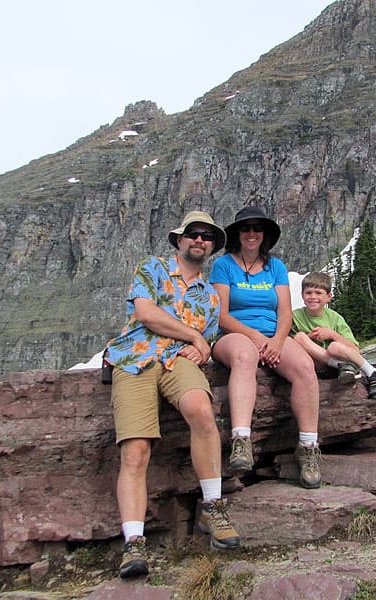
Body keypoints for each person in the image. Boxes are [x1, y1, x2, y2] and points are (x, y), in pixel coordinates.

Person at [103, 211, 241, 579]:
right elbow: (146, 314)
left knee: (201, 409)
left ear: (212, 246)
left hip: (177, 360)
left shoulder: (210, 297)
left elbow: (209, 342)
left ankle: (213, 506)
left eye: (207, 236)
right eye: (193, 234)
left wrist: (203, 348)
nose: (200, 240)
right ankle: (134, 543)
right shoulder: (152, 269)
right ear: (179, 240)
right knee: (135, 449)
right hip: (135, 359)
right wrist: (195, 337)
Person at [209, 206, 322, 489]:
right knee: (245, 357)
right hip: (234, 334)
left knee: (306, 368)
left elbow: (285, 313)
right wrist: (256, 338)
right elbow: (221, 314)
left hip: (274, 335)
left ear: (265, 234)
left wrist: (277, 341)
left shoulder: (276, 267)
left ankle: (308, 447)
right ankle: (241, 440)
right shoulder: (223, 265)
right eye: (246, 228)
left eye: (257, 228)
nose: (251, 233)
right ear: (237, 233)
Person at [291, 271, 376, 399]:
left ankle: (372, 372)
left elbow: (354, 349)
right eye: (308, 293)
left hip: (344, 367)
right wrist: (308, 339)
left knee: (334, 347)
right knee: (299, 338)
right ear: (302, 295)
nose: (313, 297)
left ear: (329, 296)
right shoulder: (295, 316)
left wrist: (332, 334)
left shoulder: (335, 318)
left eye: (318, 293)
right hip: (317, 365)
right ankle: (339, 365)